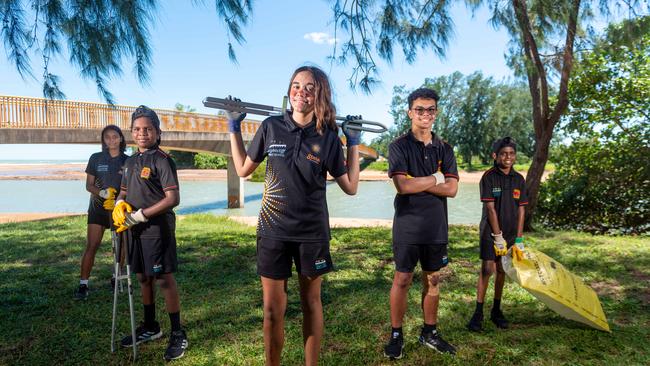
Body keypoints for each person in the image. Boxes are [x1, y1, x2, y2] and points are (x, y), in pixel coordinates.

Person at [227, 65, 361, 366]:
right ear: (289, 90)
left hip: (311, 233)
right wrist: (233, 128)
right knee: (273, 310)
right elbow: (242, 170)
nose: (301, 91)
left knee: (311, 304)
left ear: (319, 94)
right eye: (296, 85)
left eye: (310, 87)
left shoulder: (327, 137)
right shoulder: (271, 126)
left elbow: (350, 186)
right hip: (273, 230)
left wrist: (352, 143)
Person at [383, 88, 459, 359]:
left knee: (433, 279)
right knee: (402, 279)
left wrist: (421, 181)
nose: (425, 114)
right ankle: (396, 334)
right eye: (419, 109)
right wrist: (436, 177)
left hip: (436, 226)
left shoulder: (445, 148)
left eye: (430, 110)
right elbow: (402, 186)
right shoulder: (398, 146)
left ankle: (430, 332)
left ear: (435, 113)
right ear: (409, 112)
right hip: (407, 225)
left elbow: (452, 190)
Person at [112, 106, 188, 361]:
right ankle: (150, 326)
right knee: (144, 278)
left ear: (157, 132)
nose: (142, 133)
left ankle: (178, 333)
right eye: (137, 129)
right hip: (135, 230)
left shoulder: (163, 159)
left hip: (157, 229)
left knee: (163, 279)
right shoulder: (130, 161)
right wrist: (119, 204)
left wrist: (142, 214)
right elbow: (123, 191)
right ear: (131, 133)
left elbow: (173, 198)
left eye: (147, 129)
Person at [466, 137, 528, 332]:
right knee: (487, 270)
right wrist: (497, 236)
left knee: (502, 270)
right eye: (503, 153)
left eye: (511, 154)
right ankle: (477, 313)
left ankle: (496, 310)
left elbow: (521, 211)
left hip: (510, 235)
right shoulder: (489, 177)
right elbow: (491, 209)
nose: (507, 157)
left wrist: (518, 239)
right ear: (495, 155)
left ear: (515, 156)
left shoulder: (519, 179)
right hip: (490, 233)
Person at [74, 125, 128, 300]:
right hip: (98, 208)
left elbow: (132, 187)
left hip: (118, 209)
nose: (111, 140)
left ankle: (116, 278)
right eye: (107, 137)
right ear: (103, 140)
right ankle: (83, 285)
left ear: (120, 138)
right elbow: (88, 185)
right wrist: (102, 193)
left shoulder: (128, 161)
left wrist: (119, 199)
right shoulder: (95, 158)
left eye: (114, 136)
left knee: (121, 247)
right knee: (92, 246)